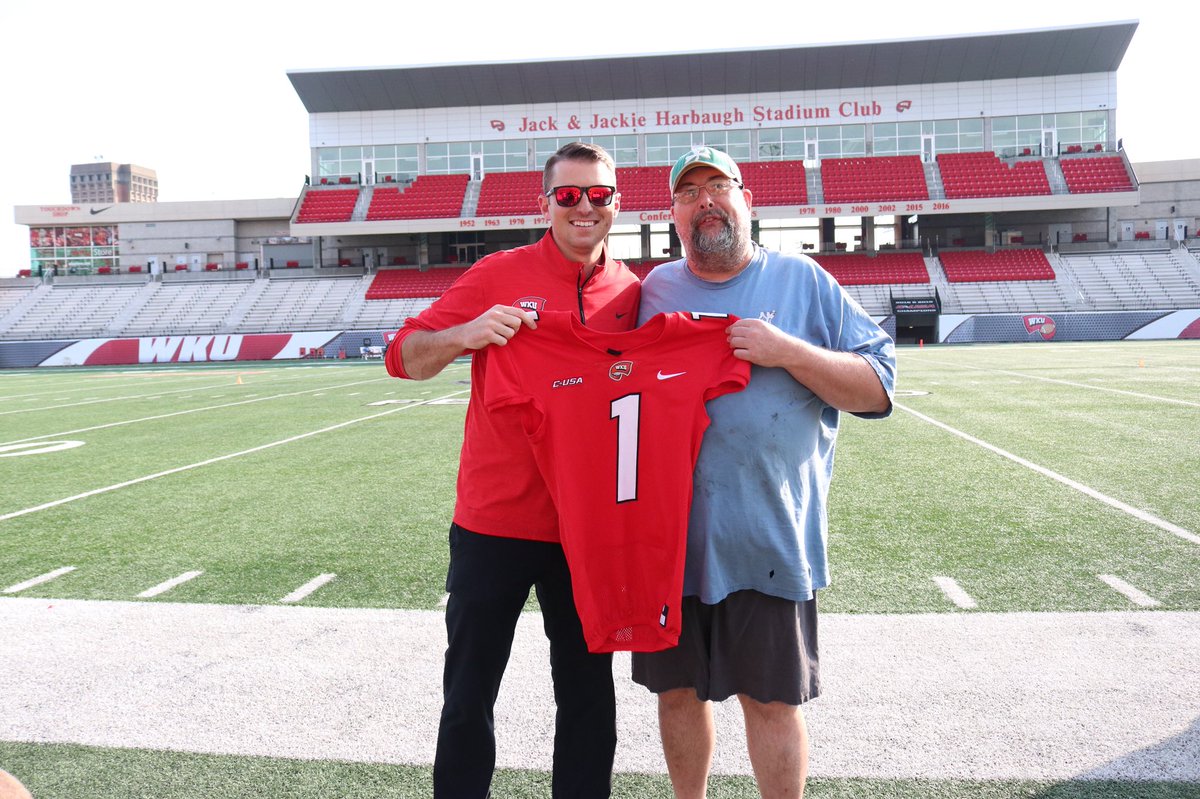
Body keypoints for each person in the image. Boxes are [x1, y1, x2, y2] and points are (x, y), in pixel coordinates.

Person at [630, 146, 896, 798]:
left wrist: (787, 351)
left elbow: (879, 388)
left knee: (772, 702)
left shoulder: (803, 282)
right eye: (689, 193)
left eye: (718, 186)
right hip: (669, 547)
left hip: (769, 540)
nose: (706, 201)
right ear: (673, 214)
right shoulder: (651, 292)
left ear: (748, 199)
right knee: (676, 695)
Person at [385, 142, 640, 798]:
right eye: (568, 195)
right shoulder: (497, 273)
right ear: (545, 204)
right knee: (469, 694)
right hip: (492, 521)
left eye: (599, 195)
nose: (584, 207)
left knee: (588, 698)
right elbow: (404, 357)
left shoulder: (635, 292)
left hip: (587, 529)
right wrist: (464, 333)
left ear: (617, 202)